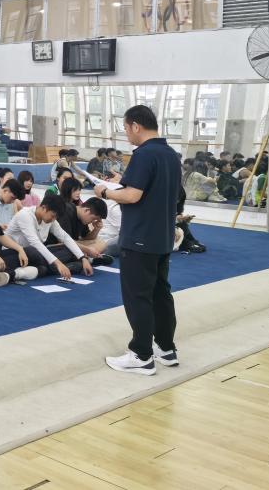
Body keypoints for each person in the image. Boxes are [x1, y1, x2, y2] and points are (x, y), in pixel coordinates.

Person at [96, 105, 182, 376]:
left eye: (126, 128)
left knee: (138, 296)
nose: (126, 134)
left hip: (140, 237)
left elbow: (132, 196)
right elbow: (171, 194)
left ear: (136, 126)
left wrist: (105, 192)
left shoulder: (144, 154)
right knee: (160, 293)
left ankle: (141, 355)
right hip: (162, 236)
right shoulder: (170, 154)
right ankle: (166, 349)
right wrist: (124, 182)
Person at [6, 193, 92, 281]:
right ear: (43, 208)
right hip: (16, 253)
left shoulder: (50, 220)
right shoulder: (25, 215)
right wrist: (58, 263)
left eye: (56, 217)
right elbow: (35, 243)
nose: (53, 219)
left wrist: (83, 258)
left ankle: (39, 270)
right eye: (53, 216)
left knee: (67, 249)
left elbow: (65, 237)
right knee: (34, 251)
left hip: (35, 255)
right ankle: (58, 267)